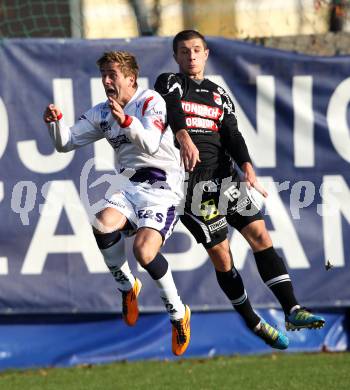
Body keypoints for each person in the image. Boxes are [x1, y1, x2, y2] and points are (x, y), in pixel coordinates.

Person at [155, 30, 325, 350]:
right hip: (194, 186)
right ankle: (252, 320)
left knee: (261, 236)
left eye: (196, 50)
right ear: (176, 57)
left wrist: (246, 165)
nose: (191, 56)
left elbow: (232, 133)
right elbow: (173, 109)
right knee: (223, 256)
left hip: (226, 178)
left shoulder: (219, 94)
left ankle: (292, 309)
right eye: (184, 51)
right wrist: (184, 136)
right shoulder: (170, 82)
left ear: (206, 54)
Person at [43, 50, 190, 356]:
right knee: (102, 223)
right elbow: (65, 143)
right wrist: (55, 124)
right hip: (129, 186)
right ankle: (128, 288)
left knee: (144, 252)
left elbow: (150, 143)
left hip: (164, 190)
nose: (107, 81)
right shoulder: (102, 112)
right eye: (104, 76)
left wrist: (126, 121)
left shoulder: (151, 102)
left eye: (113, 75)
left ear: (131, 78)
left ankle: (178, 314)